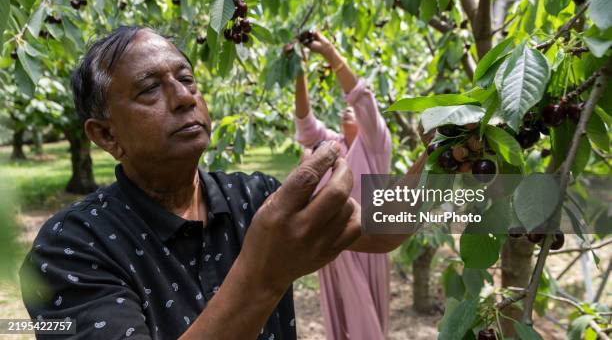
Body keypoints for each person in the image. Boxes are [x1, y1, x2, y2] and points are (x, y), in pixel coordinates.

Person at [18, 26, 409, 339]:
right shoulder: (71, 247)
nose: (183, 98)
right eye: (150, 88)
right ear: (106, 135)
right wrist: (263, 277)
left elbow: (383, 229)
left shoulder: (254, 197)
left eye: (186, 79)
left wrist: (445, 156)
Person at [293, 31, 393, 340]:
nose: (346, 107)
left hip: (368, 247)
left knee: (368, 325)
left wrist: (332, 56)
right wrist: (299, 70)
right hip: (334, 249)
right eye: (343, 107)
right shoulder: (330, 146)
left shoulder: (376, 145)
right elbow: (305, 122)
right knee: (340, 326)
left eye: (352, 107)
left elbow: (361, 98)